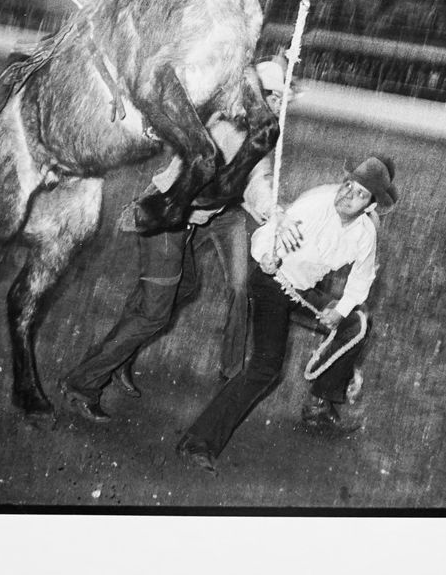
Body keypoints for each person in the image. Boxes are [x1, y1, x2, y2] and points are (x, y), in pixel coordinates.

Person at [58, 59, 289, 422]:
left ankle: (119, 353)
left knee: (184, 286)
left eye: (279, 101)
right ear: (256, 96)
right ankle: (82, 383)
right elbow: (219, 177)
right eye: (274, 98)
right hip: (167, 216)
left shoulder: (253, 136)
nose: (277, 107)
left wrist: (271, 209)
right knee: (154, 314)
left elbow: (256, 182)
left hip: (182, 222)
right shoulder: (223, 127)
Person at [174, 155, 398, 473]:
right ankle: (198, 441)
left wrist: (341, 310)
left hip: (302, 290)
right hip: (272, 283)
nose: (348, 194)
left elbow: (361, 278)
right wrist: (266, 254)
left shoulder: (365, 233)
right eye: (348, 184)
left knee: (357, 323)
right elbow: (267, 233)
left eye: (360, 193)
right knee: (265, 369)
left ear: (370, 206)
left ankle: (319, 407)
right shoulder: (315, 203)